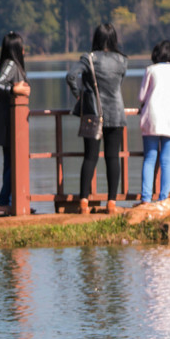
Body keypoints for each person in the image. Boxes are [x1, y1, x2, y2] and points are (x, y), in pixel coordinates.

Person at [66, 23, 128, 214]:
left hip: (94, 113)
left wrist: (79, 95)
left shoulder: (89, 58)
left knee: (90, 157)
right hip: (116, 113)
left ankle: (83, 201)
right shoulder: (122, 60)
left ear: (96, 39)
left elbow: (70, 76)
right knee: (113, 158)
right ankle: (111, 203)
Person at [138, 40, 170, 204]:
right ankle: (163, 199)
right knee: (167, 161)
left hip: (152, 117)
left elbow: (141, 97)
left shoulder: (151, 70)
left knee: (150, 159)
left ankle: (145, 199)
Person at [0, 32, 31, 215]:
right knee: (13, 162)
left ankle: (11, 201)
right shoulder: (12, 64)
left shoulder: (10, 65)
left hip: (11, 122)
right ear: (17, 50)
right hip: (9, 123)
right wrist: (14, 88)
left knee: (11, 162)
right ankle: (4, 200)